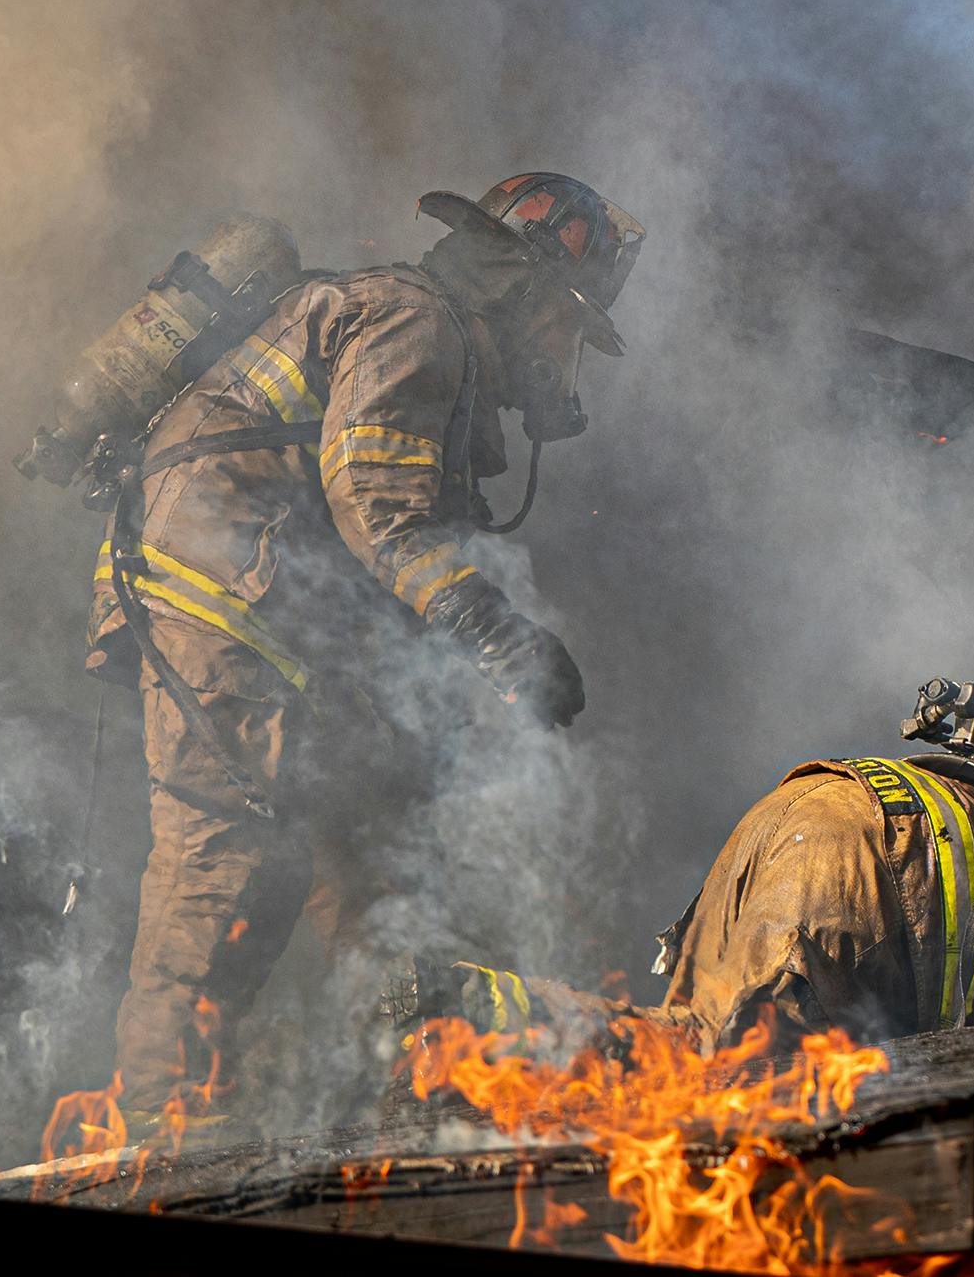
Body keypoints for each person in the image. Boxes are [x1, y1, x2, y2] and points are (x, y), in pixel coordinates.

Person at [93, 171, 642, 1136]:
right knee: (226, 864)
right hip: (224, 609)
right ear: (525, 290)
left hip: (276, 625)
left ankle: (415, 1089)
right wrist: (499, 636)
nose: (566, 358)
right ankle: (150, 1148)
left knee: (380, 861)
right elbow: (378, 510)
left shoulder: (423, 327)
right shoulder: (416, 322)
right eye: (570, 326)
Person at [414, 676, 974, 1055]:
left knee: (698, 1039)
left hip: (808, 808)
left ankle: (477, 999)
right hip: (886, 862)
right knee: (741, 1088)